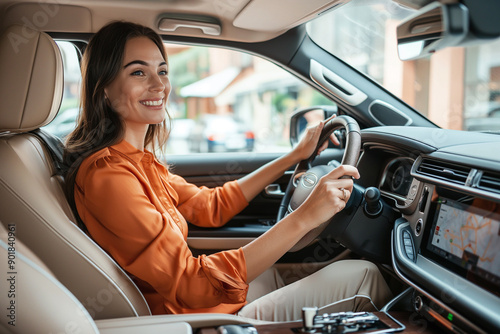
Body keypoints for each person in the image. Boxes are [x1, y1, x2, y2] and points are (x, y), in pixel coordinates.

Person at [64, 21, 392, 321]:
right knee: (365, 275)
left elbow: (212, 208)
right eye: (138, 72)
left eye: (162, 71)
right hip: (196, 319)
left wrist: (293, 156)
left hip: (215, 302)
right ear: (104, 88)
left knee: (331, 272)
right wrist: (306, 216)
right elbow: (191, 284)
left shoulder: (138, 162)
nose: (159, 85)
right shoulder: (109, 177)